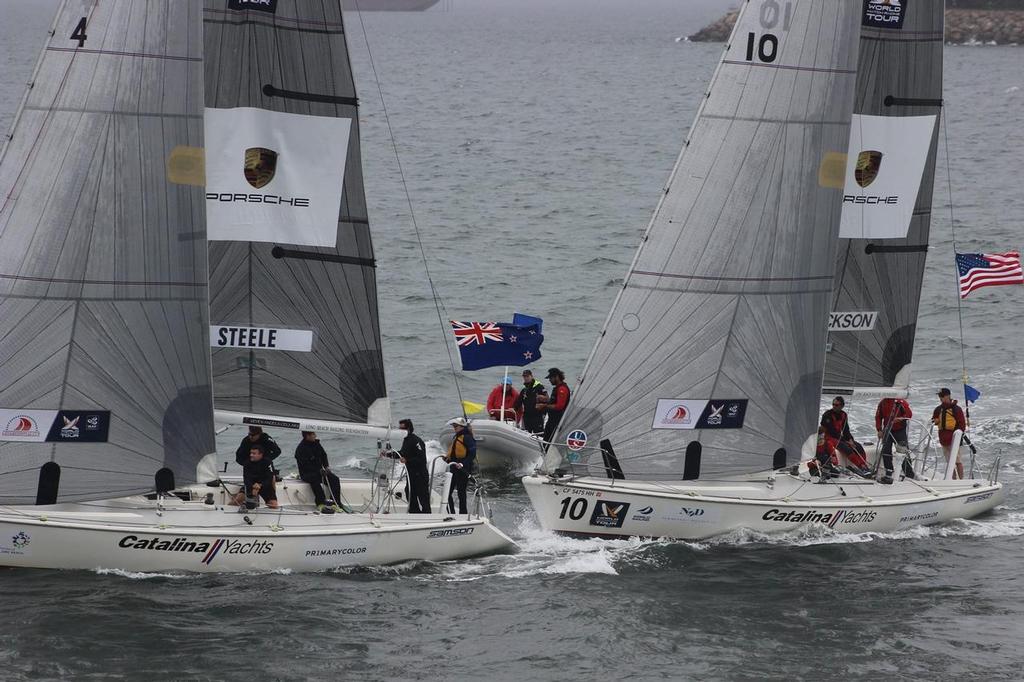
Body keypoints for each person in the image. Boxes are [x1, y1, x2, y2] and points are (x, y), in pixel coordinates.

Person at [384, 419, 430, 513]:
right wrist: (388, 454)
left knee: (423, 498)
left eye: (402, 429)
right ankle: (415, 514)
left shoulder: (416, 441)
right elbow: (402, 453)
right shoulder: (406, 440)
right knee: (409, 492)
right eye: (399, 429)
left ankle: (427, 516)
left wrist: (408, 460)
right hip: (411, 474)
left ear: (408, 429)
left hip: (420, 474)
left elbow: (422, 459)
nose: (400, 431)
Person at [819, 396, 871, 475]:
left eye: (836, 405)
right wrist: (846, 441)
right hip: (830, 437)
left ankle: (864, 466)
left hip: (839, 437)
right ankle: (861, 467)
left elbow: (846, 430)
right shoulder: (827, 415)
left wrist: (850, 439)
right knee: (846, 448)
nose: (834, 406)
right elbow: (832, 432)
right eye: (833, 404)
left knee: (858, 446)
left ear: (842, 406)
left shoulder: (844, 415)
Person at [294, 431, 342, 513]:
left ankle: (334, 502)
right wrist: (318, 471)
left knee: (335, 479)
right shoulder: (300, 449)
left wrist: (326, 466)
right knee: (315, 481)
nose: (315, 436)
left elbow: (324, 455)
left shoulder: (317, 444)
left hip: (321, 472)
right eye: (313, 434)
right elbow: (304, 465)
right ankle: (320, 503)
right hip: (307, 473)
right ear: (307, 436)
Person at [875, 397, 915, 483]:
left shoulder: (901, 402)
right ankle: (889, 473)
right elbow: (878, 417)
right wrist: (879, 430)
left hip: (900, 430)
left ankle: (909, 474)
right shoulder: (882, 403)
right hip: (887, 430)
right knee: (885, 451)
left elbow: (909, 415)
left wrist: (900, 418)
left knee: (903, 452)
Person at [932, 388, 967, 479]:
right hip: (943, 439)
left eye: (942, 396)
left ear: (948, 396)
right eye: (939, 396)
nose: (940, 398)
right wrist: (935, 421)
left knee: (957, 461)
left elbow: (962, 425)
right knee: (949, 462)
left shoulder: (956, 409)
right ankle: (953, 479)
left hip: (954, 439)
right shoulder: (938, 409)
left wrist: (957, 437)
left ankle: (960, 480)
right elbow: (934, 419)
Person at [445, 417, 476, 514]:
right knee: (447, 492)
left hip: (463, 468)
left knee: (461, 492)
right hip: (454, 467)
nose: (454, 428)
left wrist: (463, 463)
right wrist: (447, 459)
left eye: (456, 426)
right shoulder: (457, 437)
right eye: (453, 426)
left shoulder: (467, 437)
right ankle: (451, 513)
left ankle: (463, 513)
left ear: (462, 427)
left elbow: (472, 454)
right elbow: (454, 453)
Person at [234, 444, 279, 509]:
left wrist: (260, 485)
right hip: (251, 485)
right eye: (251, 453)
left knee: (274, 505)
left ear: (260, 454)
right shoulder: (247, 463)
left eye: (254, 453)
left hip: (264, 485)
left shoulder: (267, 462)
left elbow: (269, 478)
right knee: (238, 500)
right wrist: (253, 487)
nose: (251, 455)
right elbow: (246, 479)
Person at [538, 367, 571, 451]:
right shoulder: (556, 388)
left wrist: (544, 406)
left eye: (550, 378)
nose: (549, 380)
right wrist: (545, 399)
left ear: (556, 377)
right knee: (545, 442)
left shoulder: (562, 389)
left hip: (557, 421)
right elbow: (553, 401)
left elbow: (559, 406)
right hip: (551, 420)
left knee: (550, 443)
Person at [514, 369, 548, 435]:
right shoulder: (524, 390)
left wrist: (544, 412)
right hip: (527, 416)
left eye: (527, 376)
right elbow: (519, 402)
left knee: (539, 434)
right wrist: (513, 409)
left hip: (537, 416)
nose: (526, 378)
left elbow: (547, 399)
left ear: (531, 376)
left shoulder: (539, 387)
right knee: (526, 434)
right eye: (524, 377)